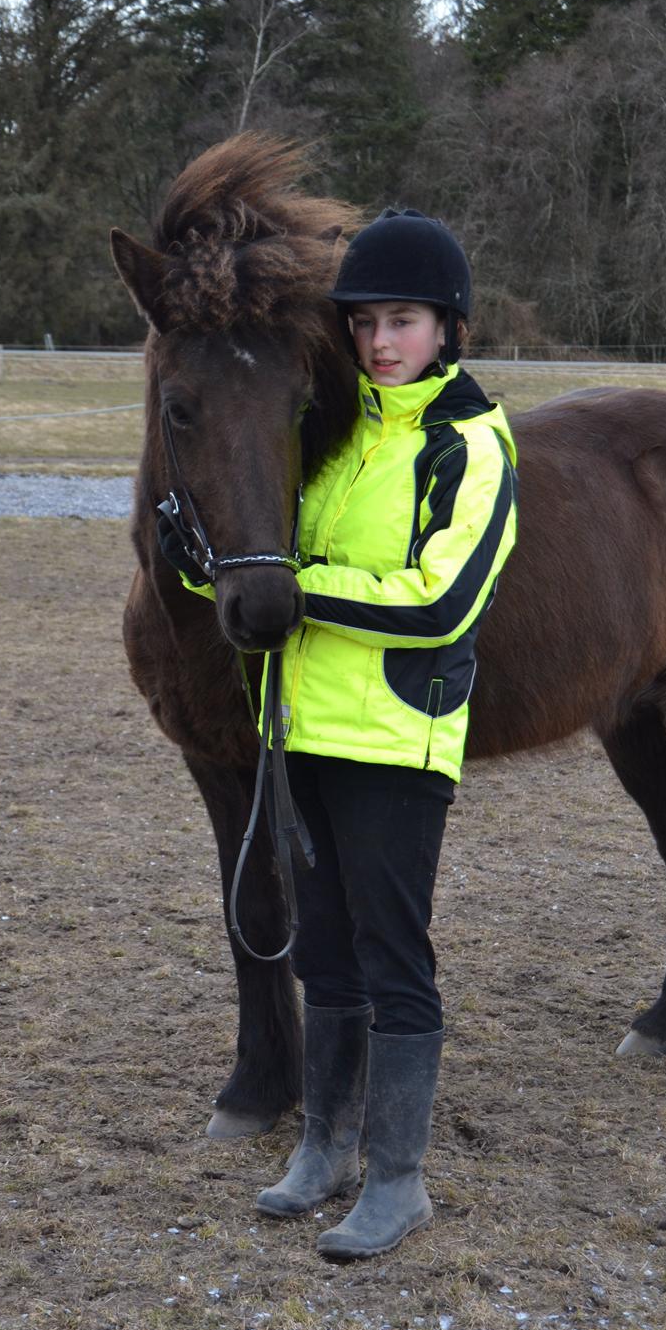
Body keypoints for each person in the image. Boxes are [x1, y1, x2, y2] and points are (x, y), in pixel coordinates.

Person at [165, 209, 518, 1259]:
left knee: (391, 956)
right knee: (325, 953)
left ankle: (398, 1178)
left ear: (449, 329)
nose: (377, 342)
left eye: (401, 321)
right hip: (309, 736)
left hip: (399, 744)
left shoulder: (472, 446)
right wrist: (203, 565)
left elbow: (438, 602)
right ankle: (324, 1145)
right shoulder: (343, 438)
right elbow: (262, 552)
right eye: (363, 322)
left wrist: (297, 590)